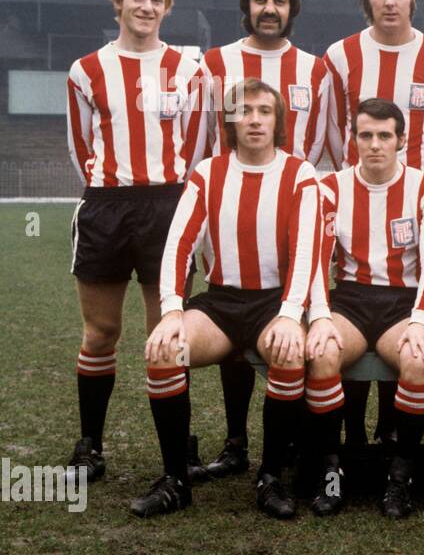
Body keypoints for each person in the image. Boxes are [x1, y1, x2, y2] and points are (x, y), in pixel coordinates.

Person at [136, 78, 320, 518]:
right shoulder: (209, 172)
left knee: (289, 355)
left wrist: (292, 316)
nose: (254, 119)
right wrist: (171, 311)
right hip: (220, 303)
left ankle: (271, 475)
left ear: (277, 121)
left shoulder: (300, 173)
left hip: (275, 303)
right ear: (230, 120)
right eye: (244, 111)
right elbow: (178, 245)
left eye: (264, 110)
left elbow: (305, 252)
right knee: (164, 352)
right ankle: (176, 479)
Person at [64, 0, 205, 484]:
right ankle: (90, 445)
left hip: (167, 207)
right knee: (100, 332)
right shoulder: (86, 70)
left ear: (167, 8)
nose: (146, 7)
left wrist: (175, 202)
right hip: (104, 206)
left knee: (167, 334)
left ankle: (179, 441)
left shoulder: (190, 70)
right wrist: (112, 186)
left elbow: (195, 146)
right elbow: (81, 147)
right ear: (118, 2)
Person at [322, 0, 424, 456]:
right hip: (361, 198)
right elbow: (336, 131)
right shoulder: (340, 56)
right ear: (367, 1)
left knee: (407, 316)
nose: (389, 1)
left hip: (419, 205)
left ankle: (388, 436)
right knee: (353, 310)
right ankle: (354, 434)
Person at [199, 0, 331, 483]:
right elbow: (204, 138)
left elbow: (318, 141)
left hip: (291, 205)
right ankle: (235, 442)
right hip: (229, 209)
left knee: (287, 318)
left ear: (292, 9)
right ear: (246, 5)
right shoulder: (216, 63)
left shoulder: (314, 69)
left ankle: (290, 445)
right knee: (235, 314)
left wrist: (293, 191)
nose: (269, 8)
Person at [303, 98, 424, 517]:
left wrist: (421, 320)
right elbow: (311, 259)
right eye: (366, 135)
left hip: (405, 303)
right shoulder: (330, 188)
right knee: (322, 353)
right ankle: (331, 474)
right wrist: (321, 316)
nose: (375, 144)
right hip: (350, 300)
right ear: (354, 139)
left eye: (385, 136)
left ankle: (399, 477)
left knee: (417, 361)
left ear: (401, 140)